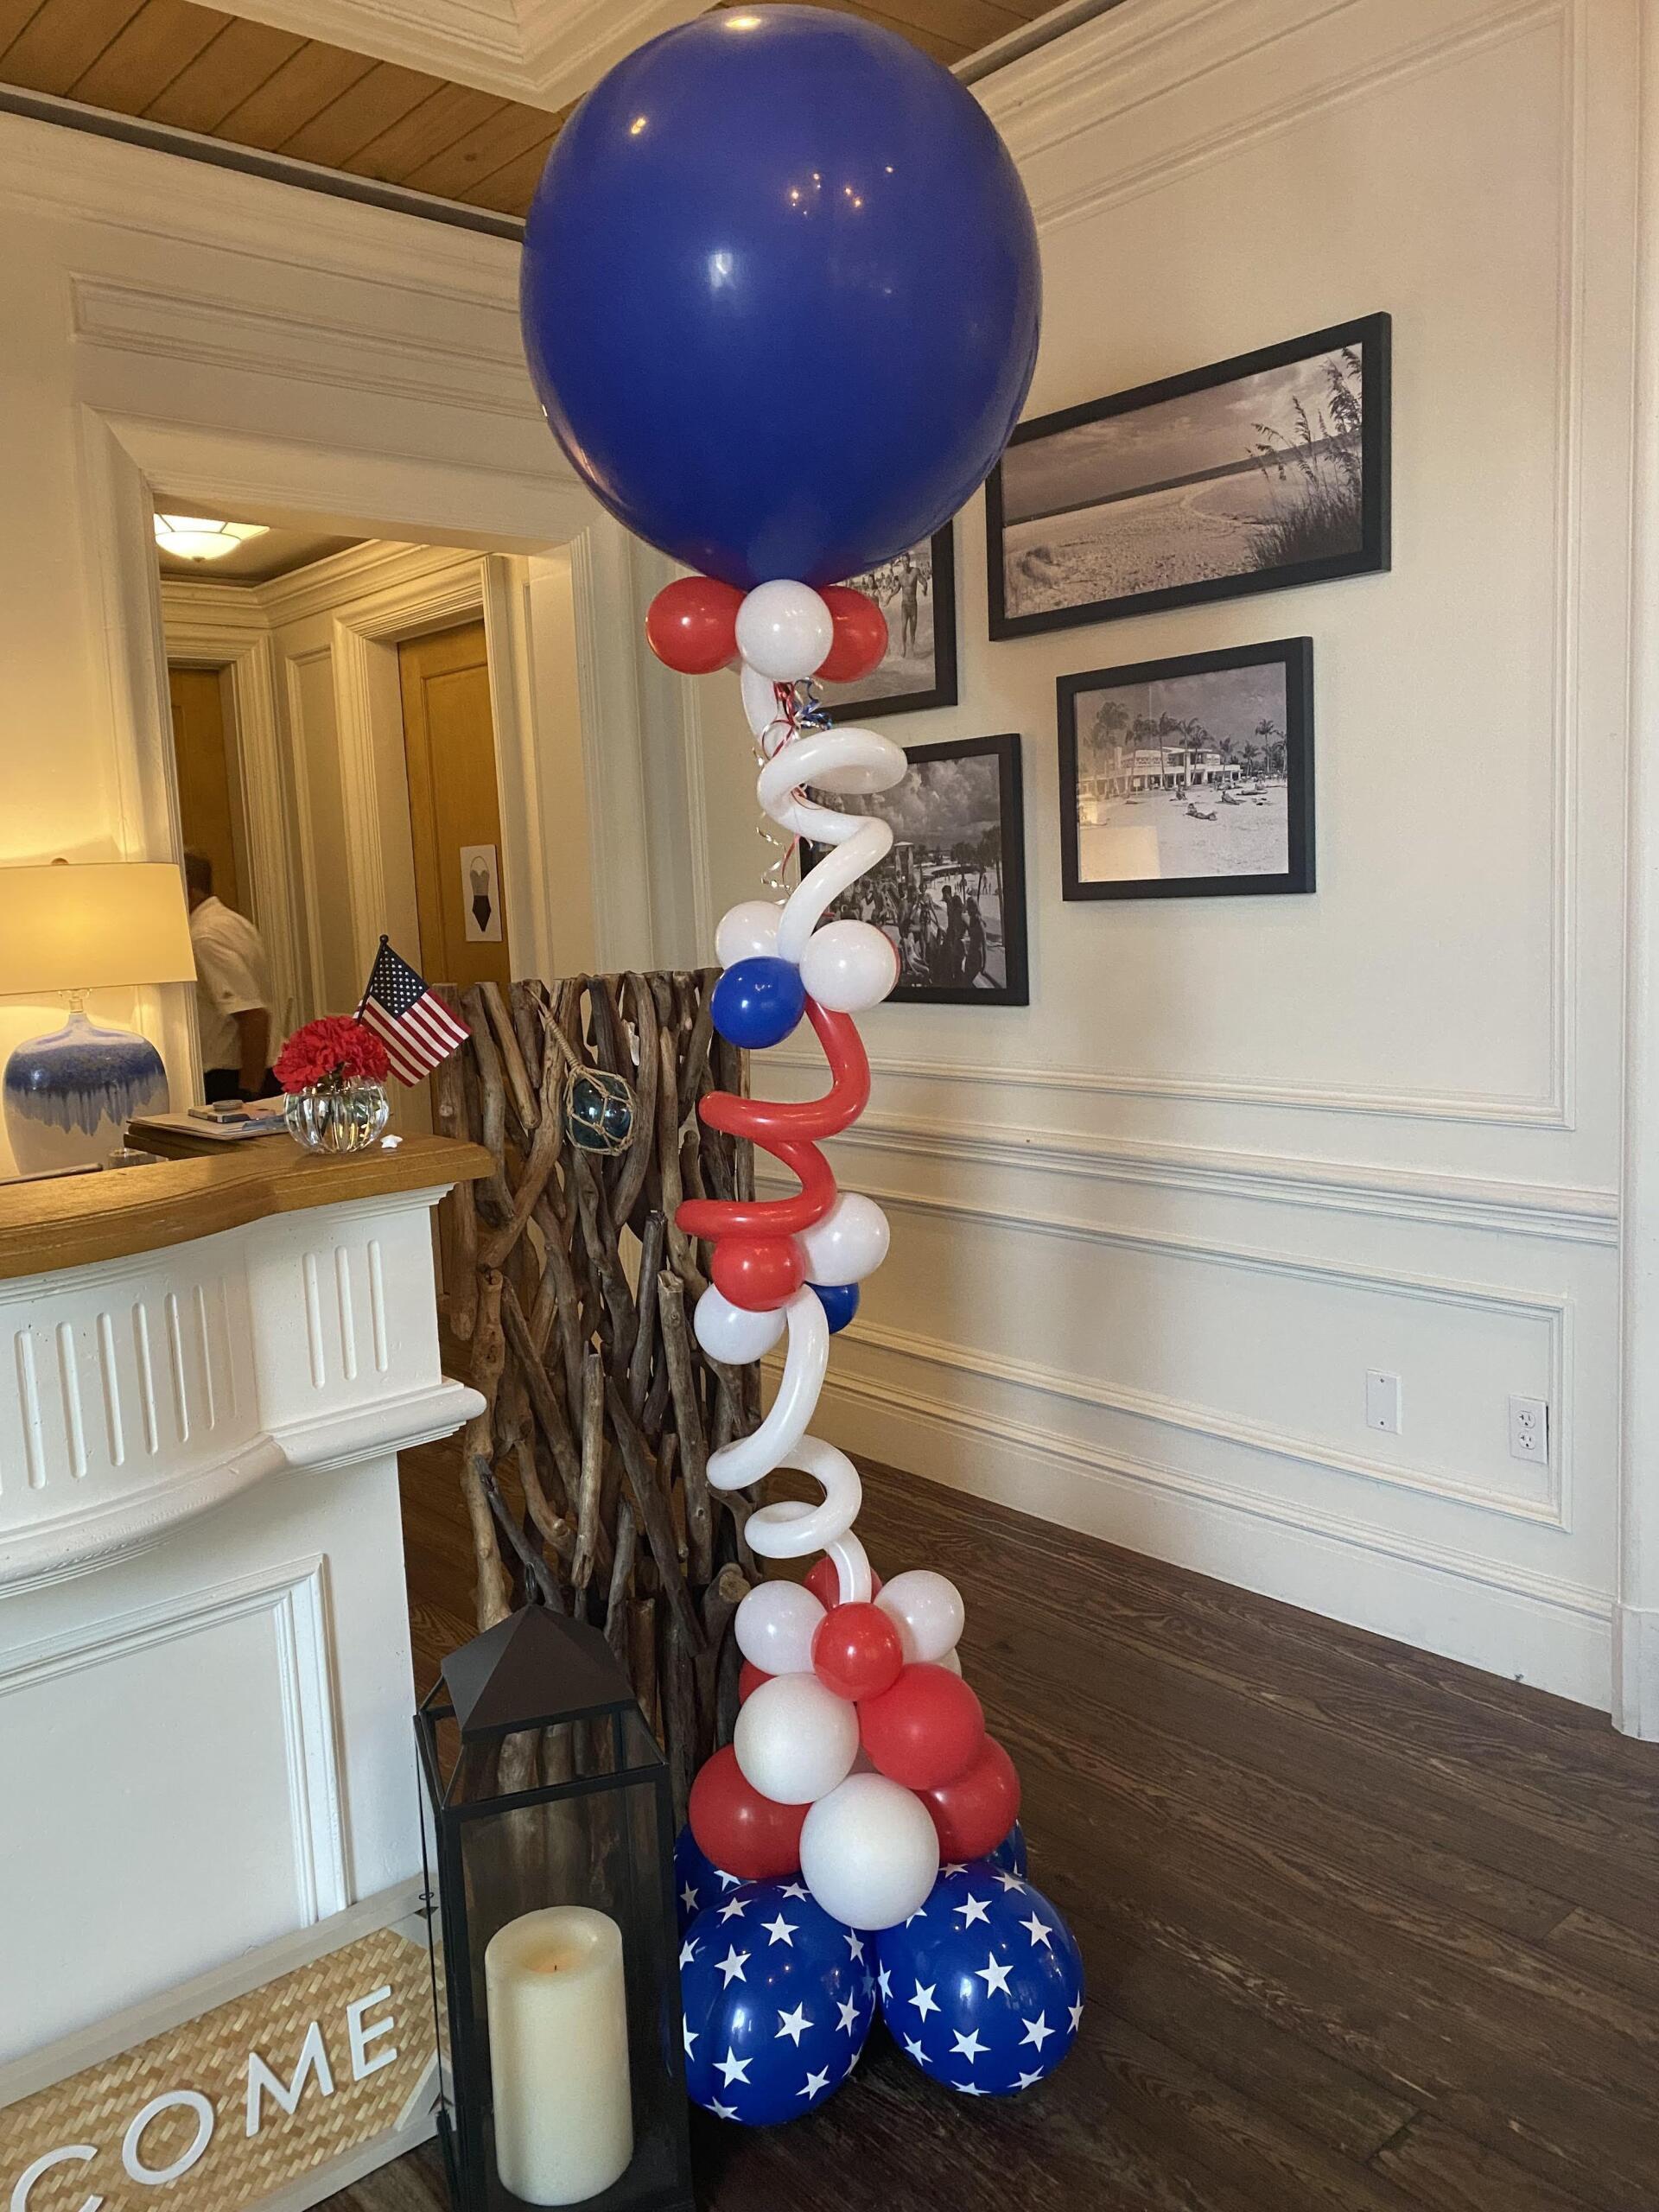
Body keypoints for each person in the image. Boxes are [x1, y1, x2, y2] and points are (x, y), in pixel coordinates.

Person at [183, 849, 280, 1103]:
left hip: (233, 1078)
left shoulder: (204, 938)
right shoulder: (233, 922)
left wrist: (246, 1094)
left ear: (188, 891)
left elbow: (253, 1016)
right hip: (257, 1071)